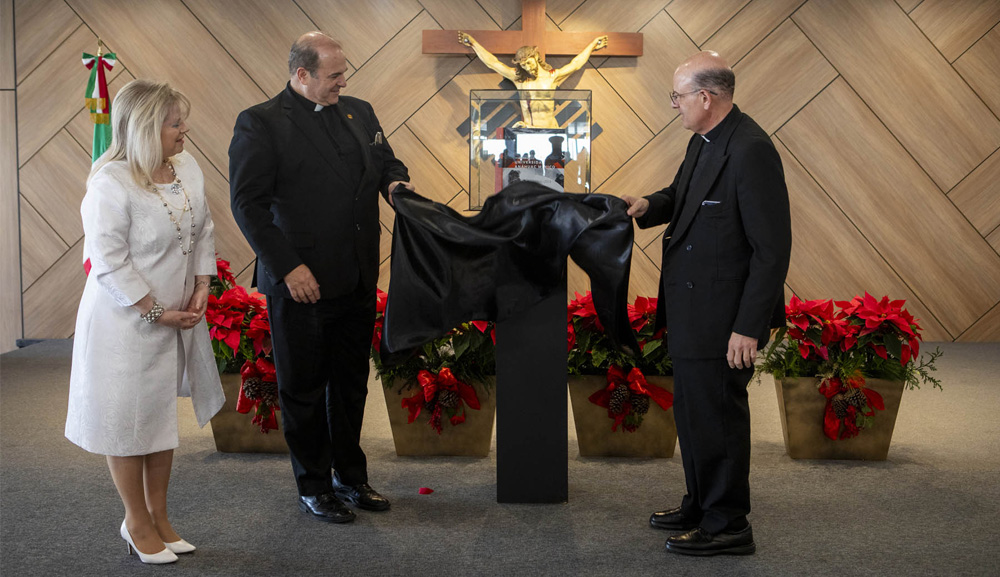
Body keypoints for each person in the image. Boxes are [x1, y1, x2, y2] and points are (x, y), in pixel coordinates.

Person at [229, 32, 413, 524]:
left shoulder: (360, 111)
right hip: (300, 281)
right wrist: (288, 266)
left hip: (355, 274)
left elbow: (385, 161)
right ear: (301, 74)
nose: (343, 81)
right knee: (304, 388)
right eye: (333, 75)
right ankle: (313, 483)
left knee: (351, 385)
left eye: (343, 72)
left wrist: (395, 184)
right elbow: (247, 205)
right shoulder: (260, 123)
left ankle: (350, 477)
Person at [622, 51, 791, 556]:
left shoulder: (751, 149)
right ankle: (700, 502)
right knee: (695, 415)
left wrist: (748, 326)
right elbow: (683, 194)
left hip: (725, 318)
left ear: (705, 97)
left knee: (718, 416)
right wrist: (648, 206)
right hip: (694, 309)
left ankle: (728, 523)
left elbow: (771, 249)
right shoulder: (703, 142)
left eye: (677, 96)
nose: (673, 105)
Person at [65, 79, 225, 564]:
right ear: (146, 127)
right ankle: (135, 520)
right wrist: (154, 311)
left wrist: (201, 286)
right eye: (176, 123)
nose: (185, 130)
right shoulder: (109, 182)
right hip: (125, 323)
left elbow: (203, 230)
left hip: (175, 317)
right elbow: (108, 260)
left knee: (157, 420)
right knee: (127, 423)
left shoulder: (188, 168)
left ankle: (160, 516)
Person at [459, 32, 607, 128]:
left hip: (551, 131)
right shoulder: (521, 80)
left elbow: (575, 64)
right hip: (528, 131)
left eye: (529, 63)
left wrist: (592, 45)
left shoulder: (552, 77)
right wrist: (474, 44)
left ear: (536, 57)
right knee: (525, 176)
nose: (528, 68)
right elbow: (493, 63)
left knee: (552, 177)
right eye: (523, 65)